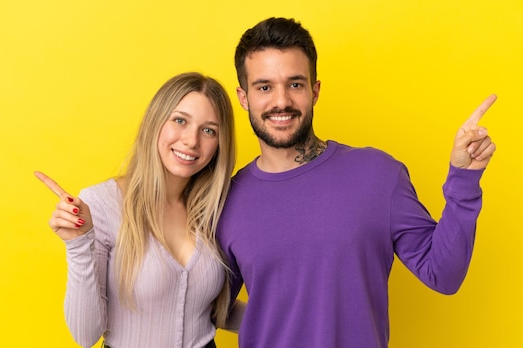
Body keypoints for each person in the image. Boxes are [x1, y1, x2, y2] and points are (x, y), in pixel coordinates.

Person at [216, 17, 497, 348]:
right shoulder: (227, 200)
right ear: (244, 97)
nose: (281, 102)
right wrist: (277, 320)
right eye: (264, 87)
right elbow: (208, 308)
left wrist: (464, 179)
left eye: (295, 84)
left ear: (315, 90)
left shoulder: (378, 175)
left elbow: (444, 274)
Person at [35, 72, 244, 348]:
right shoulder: (102, 203)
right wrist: (78, 245)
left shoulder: (214, 209)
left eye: (209, 130)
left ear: (219, 144)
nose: (192, 141)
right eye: (180, 120)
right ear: (156, 123)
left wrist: (299, 320)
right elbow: (85, 335)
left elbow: (210, 311)